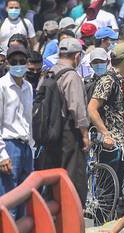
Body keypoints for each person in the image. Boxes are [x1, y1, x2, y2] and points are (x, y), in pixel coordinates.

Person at [35, 36, 91, 203]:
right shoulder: (72, 76)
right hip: (69, 134)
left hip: (50, 133)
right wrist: (85, 135)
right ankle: (70, 222)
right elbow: (77, 108)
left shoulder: (48, 73)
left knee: (54, 178)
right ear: (76, 56)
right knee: (72, 179)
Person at [0, 45, 34, 199]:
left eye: (22, 61)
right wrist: (1, 154)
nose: (18, 64)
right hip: (9, 145)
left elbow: (28, 119)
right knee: (8, 200)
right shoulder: (0, 87)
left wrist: (31, 148)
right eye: (14, 61)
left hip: (26, 147)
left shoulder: (28, 87)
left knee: (24, 201)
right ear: (7, 63)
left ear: (27, 63)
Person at [89, 41, 124, 180]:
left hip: (120, 140)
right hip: (110, 143)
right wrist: (106, 135)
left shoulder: (118, 79)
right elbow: (92, 108)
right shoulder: (108, 80)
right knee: (107, 188)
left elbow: (117, 103)